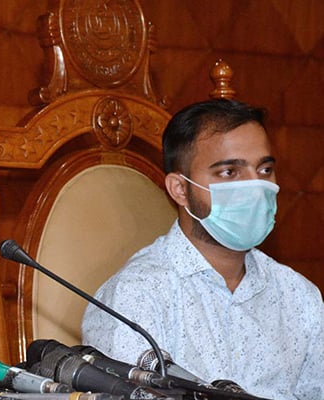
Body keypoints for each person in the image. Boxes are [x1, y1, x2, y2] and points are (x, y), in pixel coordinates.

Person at [81, 99, 323, 400]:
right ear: (180, 189)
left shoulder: (299, 296)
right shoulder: (136, 296)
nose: (255, 187)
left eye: (264, 169)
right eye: (229, 173)